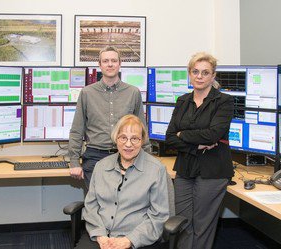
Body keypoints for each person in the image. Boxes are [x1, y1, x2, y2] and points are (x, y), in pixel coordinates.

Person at [165, 52, 234, 249]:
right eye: (195, 71)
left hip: (213, 170)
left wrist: (183, 135)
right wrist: (196, 144)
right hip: (186, 168)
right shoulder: (183, 101)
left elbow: (213, 135)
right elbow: (169, 137)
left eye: (205, 72)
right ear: (189, 74)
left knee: (203, 226)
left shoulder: (224, 101)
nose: (199, 76)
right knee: (183, 223)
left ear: (213, 76)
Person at [76, 114, 169, 249]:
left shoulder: (156, 170)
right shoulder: (101, 166)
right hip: (101, 236)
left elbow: (159, 217)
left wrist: (129, 240)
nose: (128, 144)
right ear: (116, 139)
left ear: (142, 140)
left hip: (137, 239)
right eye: (123, 138)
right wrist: (100, 236)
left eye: (135, 139)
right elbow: (91, 207)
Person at [68, 46, 147, 188]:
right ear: (99, 65)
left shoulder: (133, 93)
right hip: (94, 157)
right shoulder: (87, 93)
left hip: (126, 156)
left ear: (119, 63)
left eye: (113, 60)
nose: (110, 64)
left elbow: (141, 130)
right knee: (97, 206)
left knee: (126, 205)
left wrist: (147, 159)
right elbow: (76, 131)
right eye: (105, 61)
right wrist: (74, 162)